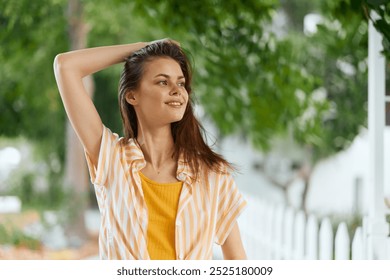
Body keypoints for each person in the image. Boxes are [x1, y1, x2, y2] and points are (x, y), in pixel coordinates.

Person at [53, 39, 247, 260]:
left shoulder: (212, 174)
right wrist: (141, 47)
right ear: (132, 95)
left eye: (181, 83)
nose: (177, 91)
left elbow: (238, 263)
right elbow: (65, 66)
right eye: (163, 82)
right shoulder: (112, 159)